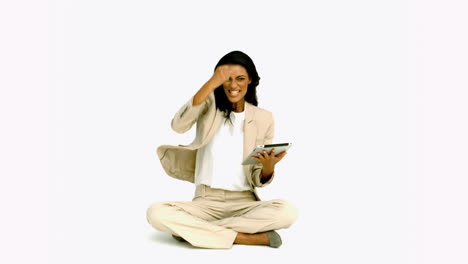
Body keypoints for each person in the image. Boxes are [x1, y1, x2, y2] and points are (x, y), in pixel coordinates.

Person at [146, 50, 298, 249]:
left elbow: (256, 177)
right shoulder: (208, 106)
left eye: (240, 79)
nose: (233, 85)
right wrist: (211, 83)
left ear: (250, 80)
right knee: (155, 213)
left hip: (245, 203)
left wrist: (268, 168)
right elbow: (178, 125)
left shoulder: (264, 118)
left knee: (288, 211)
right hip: (205, 201)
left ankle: (193, 231)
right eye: (227, 79)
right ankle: (247, 238)